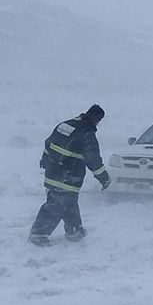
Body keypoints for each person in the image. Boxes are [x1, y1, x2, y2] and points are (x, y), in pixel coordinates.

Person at [29, 104, 111, 246]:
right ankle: (38, 233)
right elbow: (94, 160)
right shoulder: (86, 134)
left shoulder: (65, 124)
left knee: (69, 202)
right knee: (57, 204)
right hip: (68, 175)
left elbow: (49, 142)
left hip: (52, 170)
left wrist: (44, 157)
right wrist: (104, 179)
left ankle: (74, 231)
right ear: (97, 119)